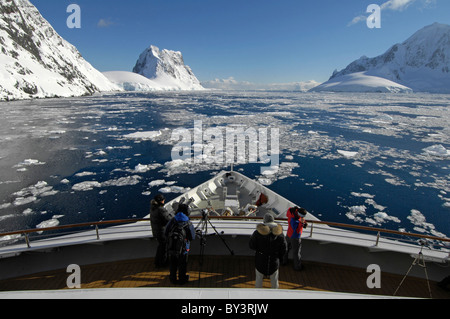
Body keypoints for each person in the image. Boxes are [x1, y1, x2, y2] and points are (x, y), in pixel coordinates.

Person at [249, 213, 287, 289]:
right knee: (275, 282)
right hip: (274, 261)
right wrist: (280, 258)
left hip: (260, 260)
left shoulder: (257, 233)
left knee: (259, 281)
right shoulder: (280, 234)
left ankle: (258, 295)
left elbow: (252, 245)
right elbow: (284, 248)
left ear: (264, 221)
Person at [165, 203, 196, 285]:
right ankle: (182, 279)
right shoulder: (188, 222)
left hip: (172, 246)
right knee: (182, 264)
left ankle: (173, 279)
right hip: (184, 248)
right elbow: (192, 237)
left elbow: (166, 232)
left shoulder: (173, 220)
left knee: (173, 263)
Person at [150, 194, 172, 268]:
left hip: (156, 231)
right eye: (163, 200)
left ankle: (158, 262)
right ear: (160, 201)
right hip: (162, 231)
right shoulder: (160, 209)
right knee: (164, 248)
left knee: (161, 247)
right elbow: (168, 219)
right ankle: (163, 264)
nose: (164, 201)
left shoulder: (153, 207)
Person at [285, 206, 308, 271]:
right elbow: (295, 228)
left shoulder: (292, 211)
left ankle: (284, 261)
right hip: (295, 237)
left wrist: (303, 222)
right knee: (296, 252)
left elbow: (300, 218)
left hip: (288, 234)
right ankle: (297, 266)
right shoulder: (294, 219)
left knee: (286, 249)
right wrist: (302, 224)